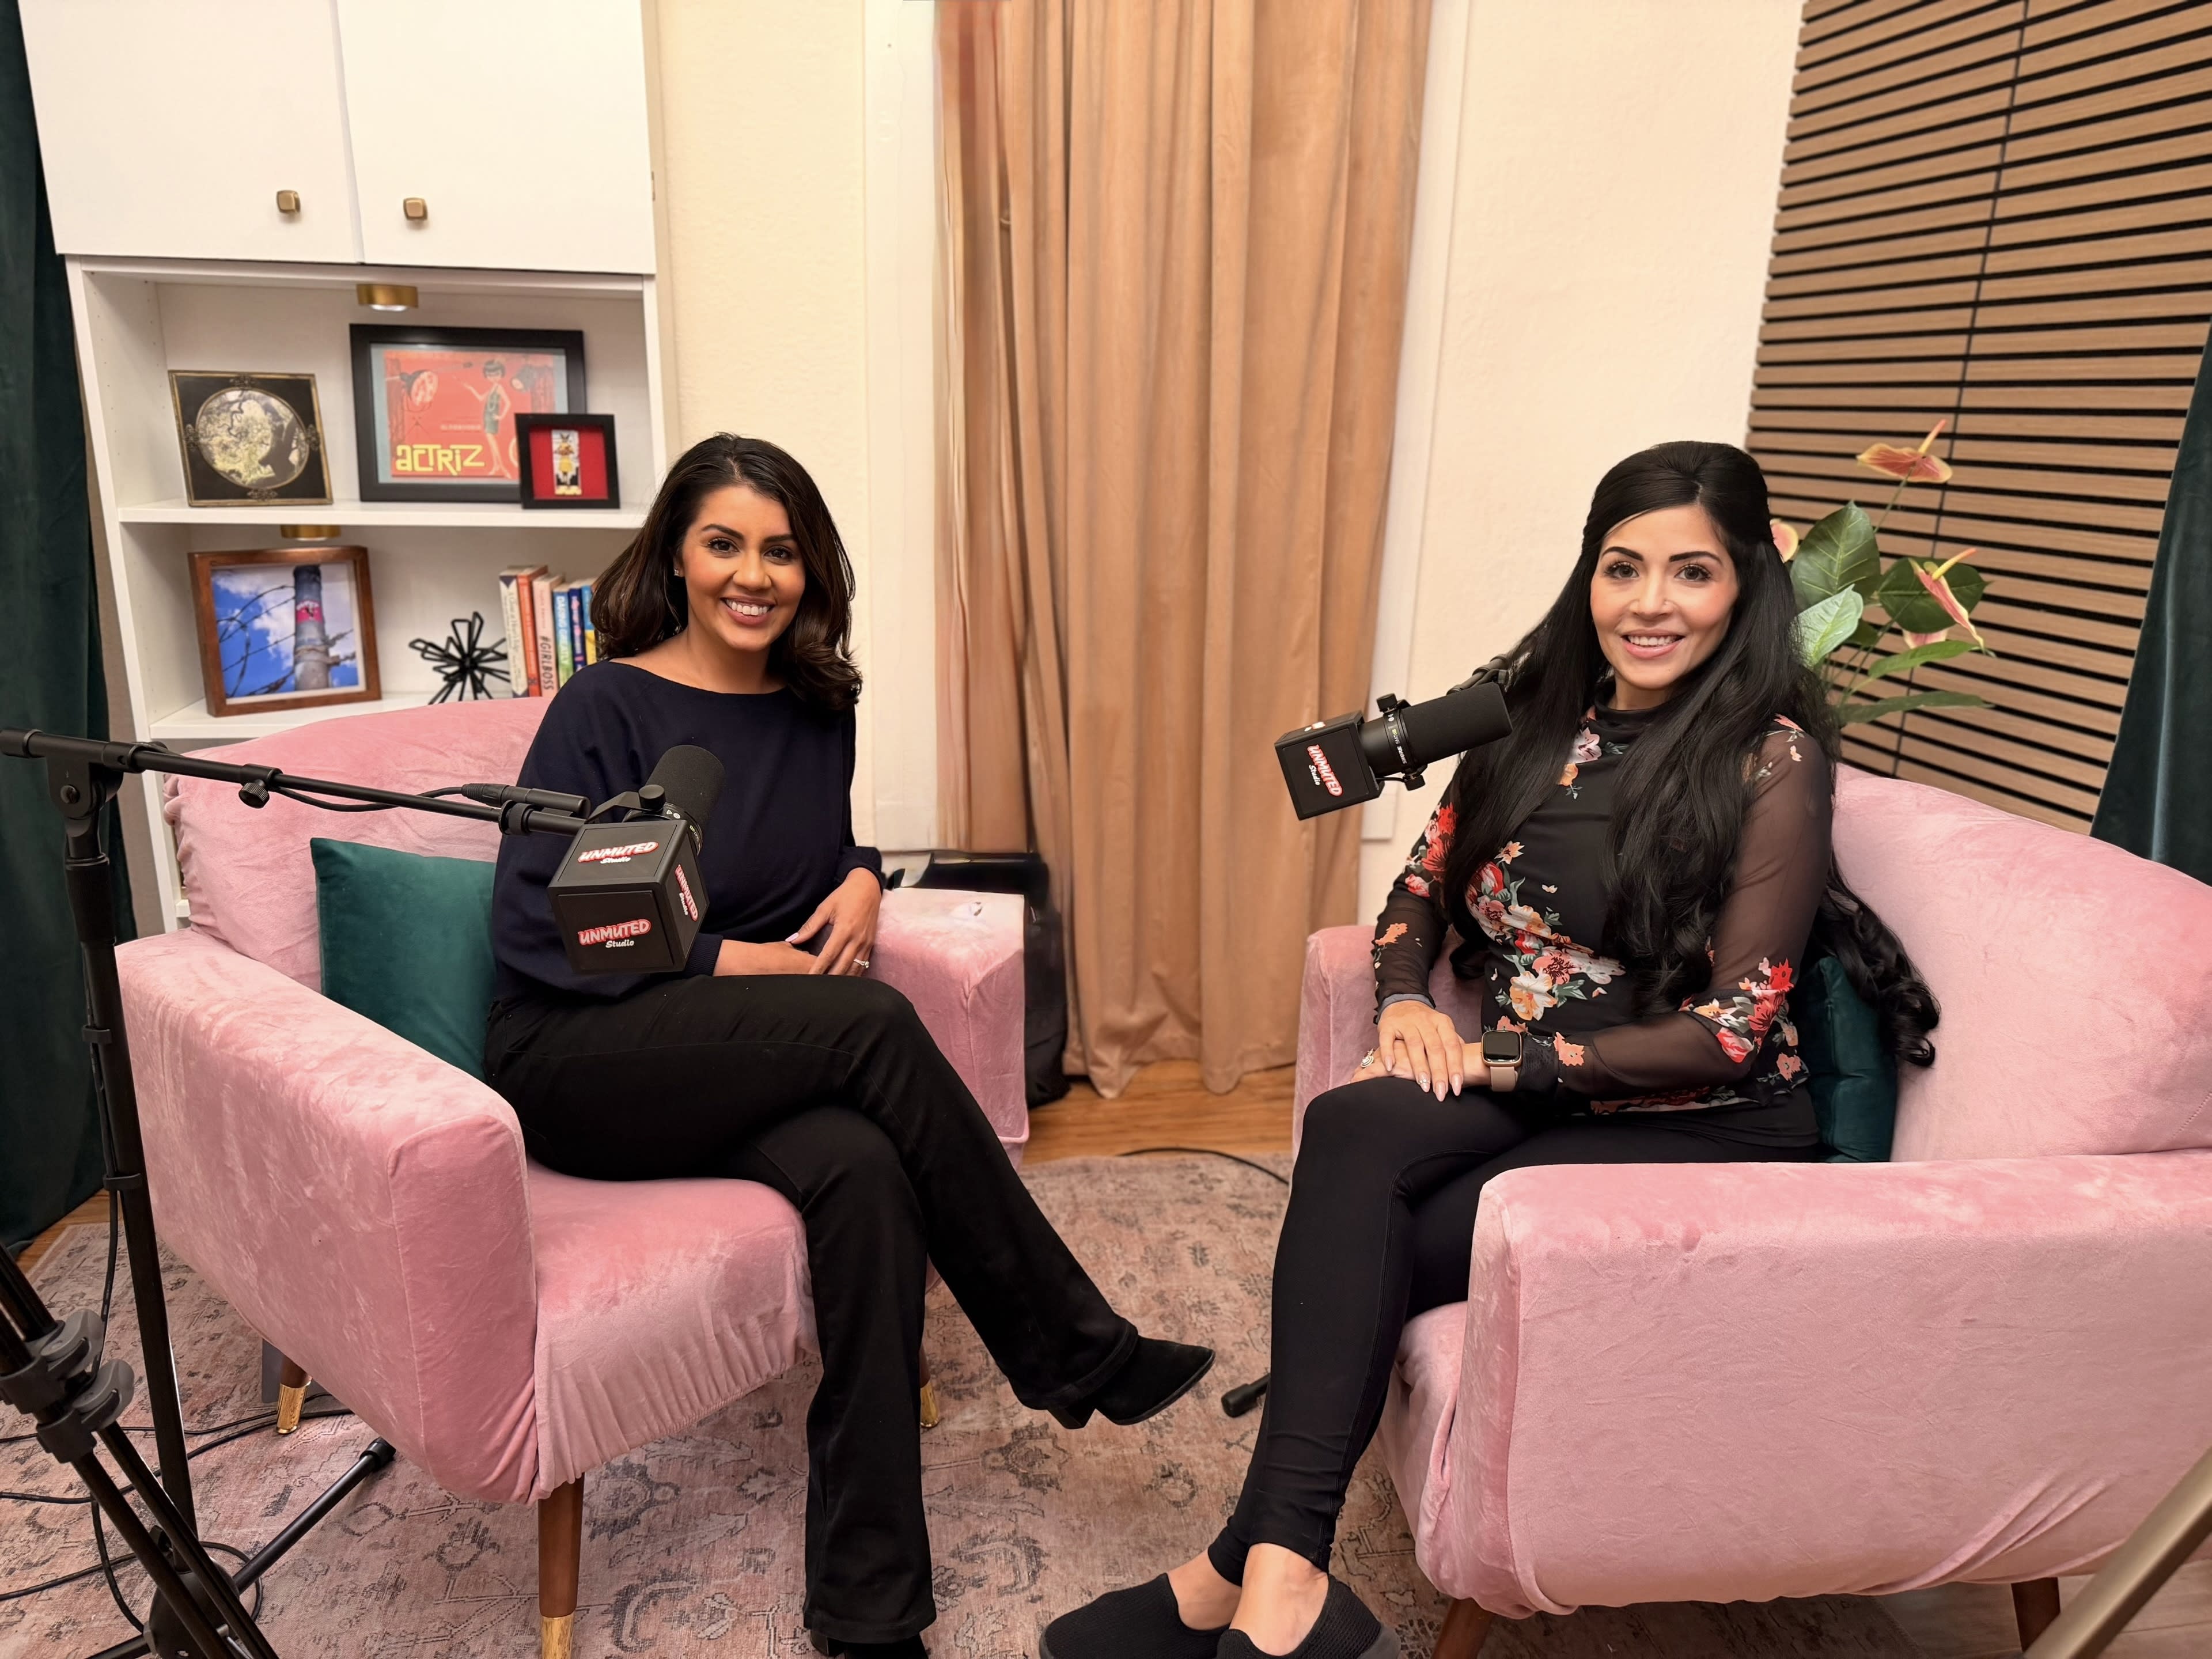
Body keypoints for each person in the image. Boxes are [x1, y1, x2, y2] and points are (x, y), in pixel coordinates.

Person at [1041, 441, 1940, 1659]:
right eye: (1623, 568)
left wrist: (1484, 1063)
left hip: (1701, 1116)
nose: (1650, 603)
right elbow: (1421, 884)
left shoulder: (1769, 759)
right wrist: (1407, 999)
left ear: (1744, 589)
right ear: (1588, 578)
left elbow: (1729, 1036)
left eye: (1693, 572)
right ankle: (1279, 1582)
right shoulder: (1527, 718)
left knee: (1383, 1216)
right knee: (1357, 1126)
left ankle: (1236, 1577)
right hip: (1554, 1082)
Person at [484, 433, 1215, 1659]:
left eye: (781, 551)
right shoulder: (606, 704)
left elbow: (812, 863)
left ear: (812, 571)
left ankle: (868, 1605)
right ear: (677, 552)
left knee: (867, 1179)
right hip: (579, 1053)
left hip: (729, 1057)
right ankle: (1067, 1343)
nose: (752, 575)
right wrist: (736, 962)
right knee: (872, 1023)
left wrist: (868, 880)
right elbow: (537, 926)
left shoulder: (821, 708)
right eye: (724, 544)